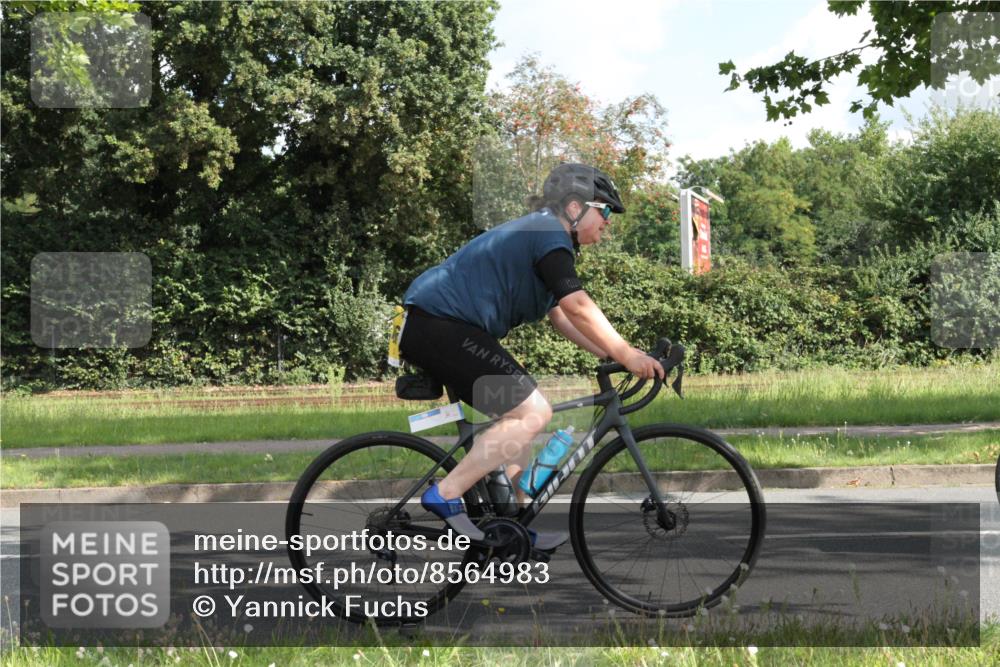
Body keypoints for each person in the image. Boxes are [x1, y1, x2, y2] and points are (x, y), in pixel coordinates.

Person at [398, 163, 665, 549]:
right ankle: (445, 493)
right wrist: (625, 353)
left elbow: (561, 316)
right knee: (532, 411)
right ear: (574, 207)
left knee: (521, 415)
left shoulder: (546, 236)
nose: (608, 221)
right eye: (605, 210)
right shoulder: (548, 234)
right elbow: (577, 305)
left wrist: (615, 354)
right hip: (439, 323)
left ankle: (510, 529)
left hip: (443, 325)